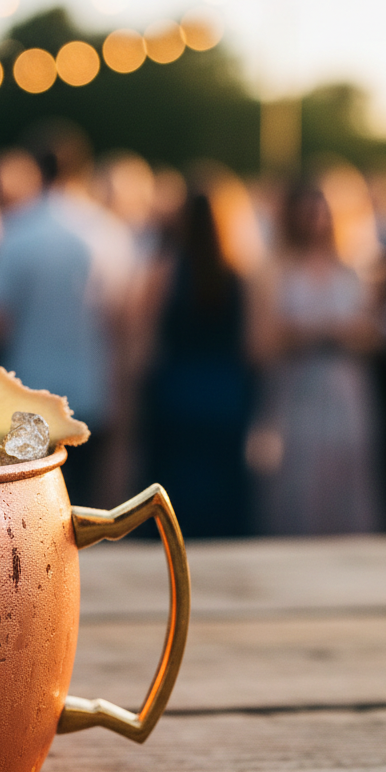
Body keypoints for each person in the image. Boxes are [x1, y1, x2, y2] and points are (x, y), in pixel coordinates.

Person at [0, 128, 133, 505]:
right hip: (91, 387)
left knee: (33, 506)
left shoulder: (14, 230)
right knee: (86, 503)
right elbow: (123, 319)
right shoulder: (109, 231)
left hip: (27, 392)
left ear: (34, 170)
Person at [248, 180, 386, 535]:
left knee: (346, 469)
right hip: (296, 389)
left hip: (344, 388)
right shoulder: (276, 269)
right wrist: (321, 331)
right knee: (297, 474)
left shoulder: (357, 267)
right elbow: (261, 343)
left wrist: (327, 331)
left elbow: (373, 333)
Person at [137, 188, 255, 537]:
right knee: (222, 492)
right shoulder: (240, 273)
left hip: (176, 389)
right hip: (226, 391)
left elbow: (144, 339)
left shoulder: (164, 269)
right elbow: (254, 344)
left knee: (175, 490)